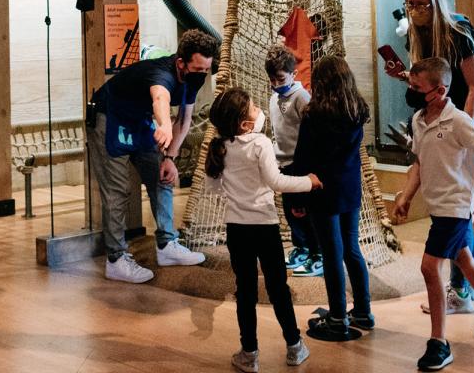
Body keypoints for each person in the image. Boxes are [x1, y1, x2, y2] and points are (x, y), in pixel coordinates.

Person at [392, 58, 474, 371]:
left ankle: (438, 342)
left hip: (456, 207)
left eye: (417, 88)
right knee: (463, 258)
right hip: (437, 206)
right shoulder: (419, 120)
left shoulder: (458, 121)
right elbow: (419, 163)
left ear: (440, 90)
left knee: (430, 267)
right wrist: (406, 197)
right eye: (411, 85)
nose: (412, 91)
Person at [385, 0, 474, 312]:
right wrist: (405, 76)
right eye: (409, 4)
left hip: (459, 122)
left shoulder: (459, 35)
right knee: (450, 212)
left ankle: (461, 291)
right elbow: (428, 77)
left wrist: (463, 129)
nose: (413, 11)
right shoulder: (418, 36)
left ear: (435, 4)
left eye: (420, 5)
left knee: (459, 210)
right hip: (433, 117)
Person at [88, 29, 217, 283]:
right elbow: (160, 97)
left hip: (139, 120)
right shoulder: (162, 73)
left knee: (163, 176)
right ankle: (115, 259)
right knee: (117, 189)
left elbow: (185, 118)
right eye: (198, 68)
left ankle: (167, 246)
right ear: (181, 63)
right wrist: (164, 125)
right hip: (109, 117)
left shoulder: (196, 77)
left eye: (206, 69)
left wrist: (170, 157)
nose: (202, 74)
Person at [206, 87, 321, 372]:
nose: (259, 110)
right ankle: (294, 346)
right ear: (245, 124)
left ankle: (249, 353)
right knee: (277, 288)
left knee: (244, 291)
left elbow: (213, 188)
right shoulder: (259, 143)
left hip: (237, 230)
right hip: (265, 228)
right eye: (254, 107)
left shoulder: (221, 146)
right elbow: (277, 182)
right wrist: (309, 181)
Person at [291, 56, 372, 342]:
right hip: (350, 187)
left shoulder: (315, 114)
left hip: (322, 189)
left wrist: (296, 195)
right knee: (351, 248)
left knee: (331, 253)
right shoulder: (357, 110)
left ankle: (338, 317)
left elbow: (303, 157)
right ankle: (362, 310)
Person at [264, 45, 318, 277]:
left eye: (280, 78)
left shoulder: (301, 96)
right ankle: (302, 247)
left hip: (301, 163)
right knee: (290, 210)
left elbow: (311, 132)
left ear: (293, 74)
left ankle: (318, 253)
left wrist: (306, 165)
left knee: (304, 210)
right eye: (272, 79)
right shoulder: (274, 97)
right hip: (283, 163)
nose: (276, 83)